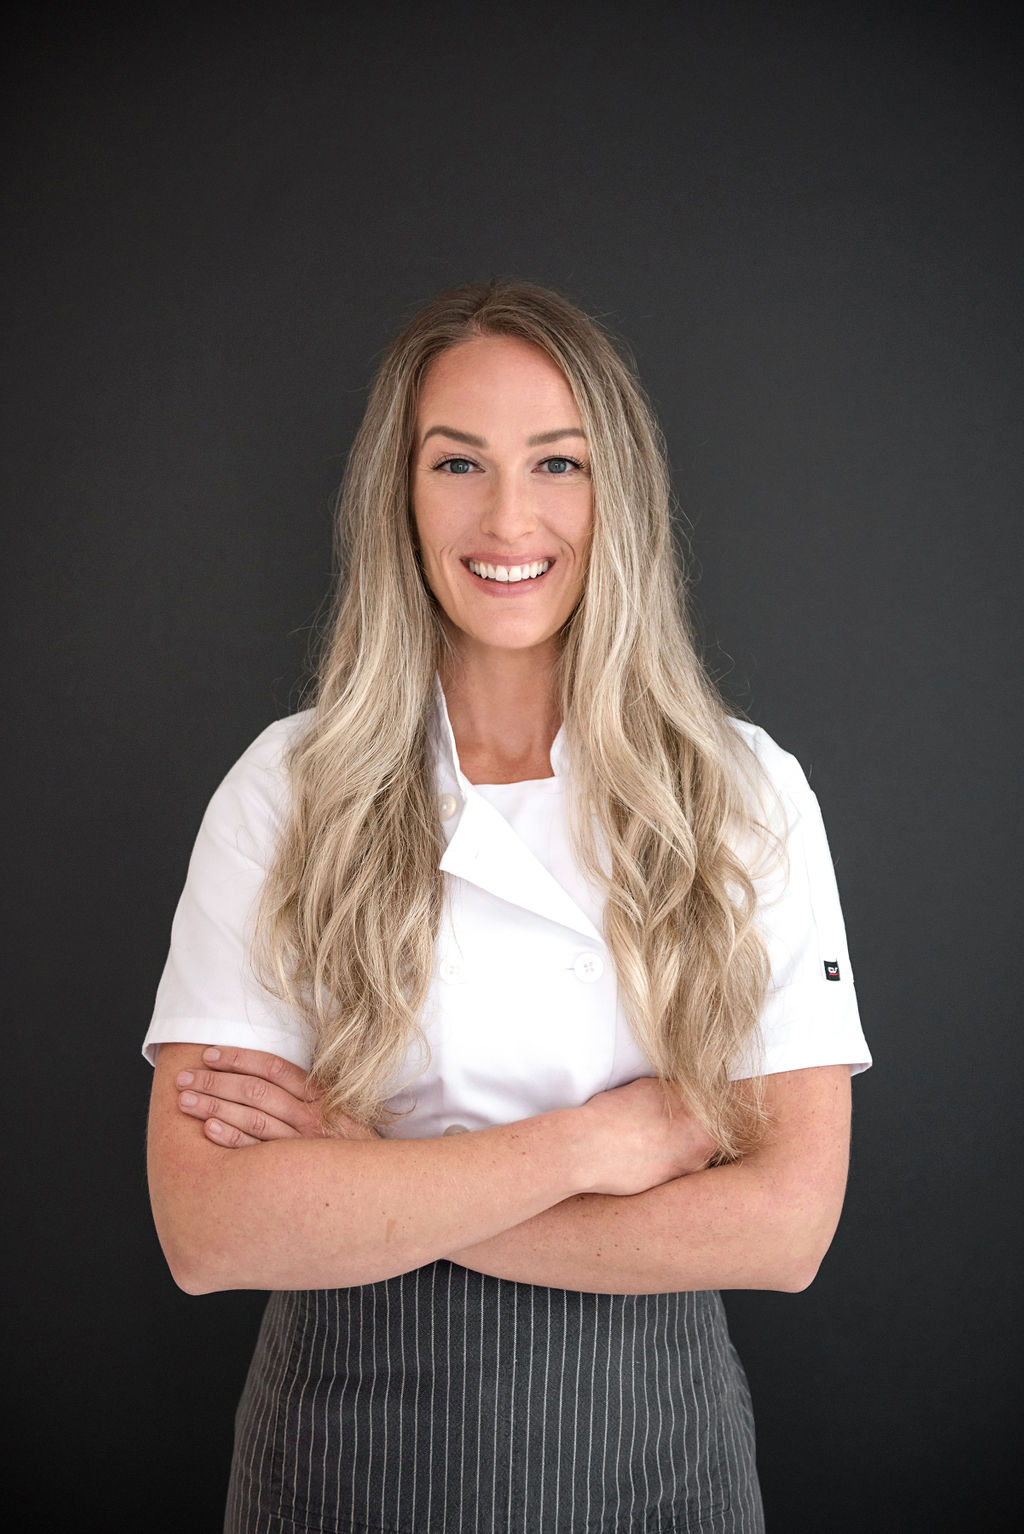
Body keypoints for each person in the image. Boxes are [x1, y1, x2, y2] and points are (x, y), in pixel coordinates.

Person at [145, 280, 870, 1534]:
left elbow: (785, 1228)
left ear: (617, 494)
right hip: (347, 1463)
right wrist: (591, 1149)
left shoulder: (743, 793)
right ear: (400, 495)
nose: (508, 516)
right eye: (457, 462)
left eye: (558, 463)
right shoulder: (290, 788)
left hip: (655, 1462)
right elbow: (209, 1230)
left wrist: (378, 1188)